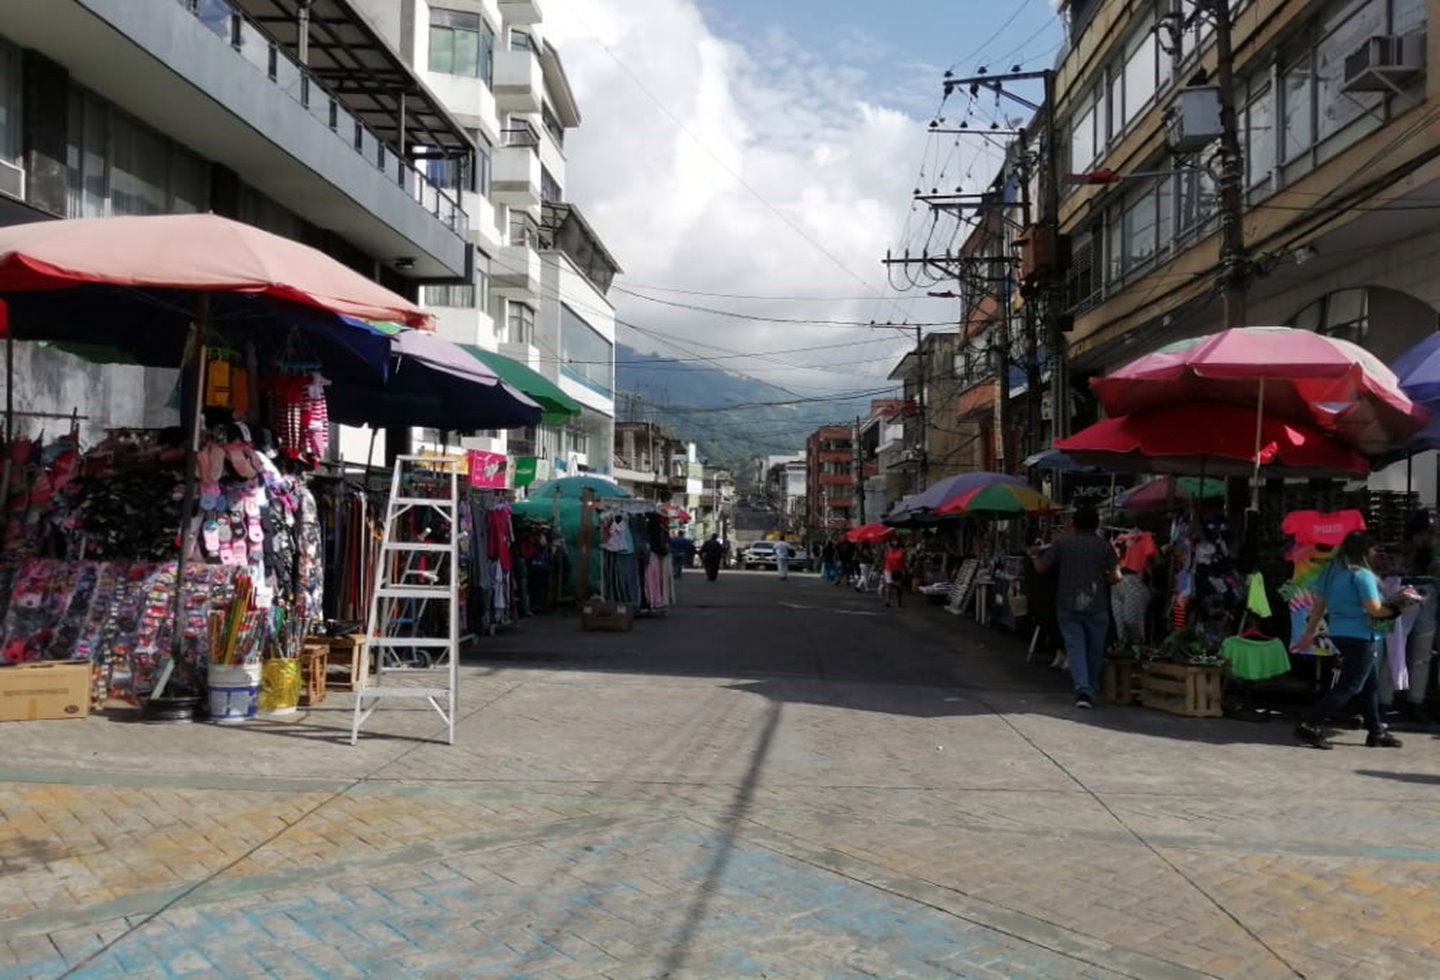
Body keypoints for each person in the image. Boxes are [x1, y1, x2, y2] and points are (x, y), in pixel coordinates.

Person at [1293, 530, 1406, 749]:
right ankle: (1310, 725)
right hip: (1361, 635)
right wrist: (1399, 607)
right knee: (1351, 685)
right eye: (1373, 549)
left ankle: (1376, 731)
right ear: (1365, 552)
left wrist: (1308, 633)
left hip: (1339, 632)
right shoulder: (1362, 576)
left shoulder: (1331, 572)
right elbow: (1374, 609)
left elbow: (1318, 606)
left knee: (1369, 684)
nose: (1375, 554)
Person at [1031, 506, 1120, 709]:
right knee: (1095, 649)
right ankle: (1092, 686)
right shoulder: (1104, 546)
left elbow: (1041, 568)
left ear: (1074, 524)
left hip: (1067, 603)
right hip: (1097, 605)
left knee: (1076, 647)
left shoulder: (1061, 544)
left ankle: (1083, 691)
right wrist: (1100, 580)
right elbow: (1116, 577)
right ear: (1097, 524)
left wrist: (1034, 555)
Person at [882, 540, 908, 607]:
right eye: (893, 541)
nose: (894, 542)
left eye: (896, 541)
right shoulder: (887, 551)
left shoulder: (902, 551)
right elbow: (884, 560)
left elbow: (904, 561)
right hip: (889, 569)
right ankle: (888, 601)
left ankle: (899, 601)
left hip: (898, 570)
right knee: (888, 585)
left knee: (898, 586)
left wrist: (905, 569)